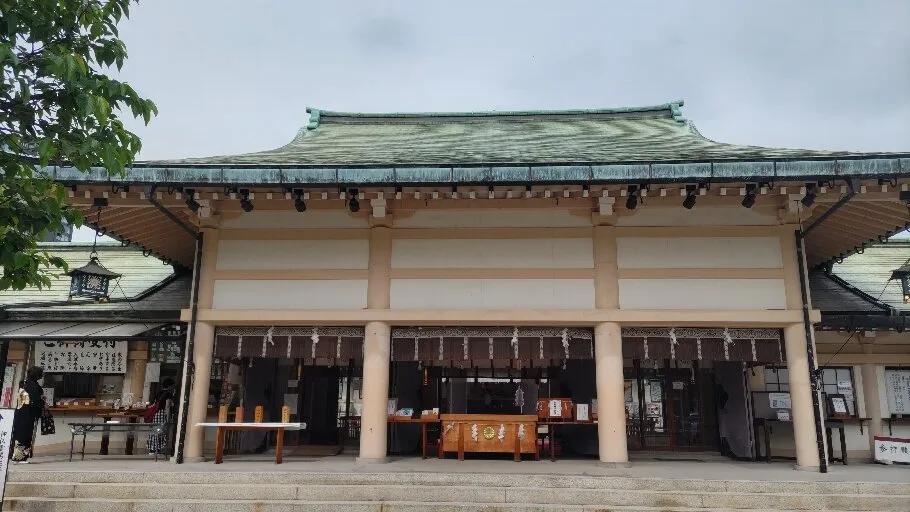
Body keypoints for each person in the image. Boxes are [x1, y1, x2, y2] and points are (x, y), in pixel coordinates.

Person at [12, 367, 45, 464]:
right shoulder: (33, 386)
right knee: (25, 436)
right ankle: (19, 458)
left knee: (20, 435)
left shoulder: (24, 383)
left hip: (21, 411)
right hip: (28, 413)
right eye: (41, 373)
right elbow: (34, 401)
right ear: (37, 375)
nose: (42, 375)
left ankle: (18, 457)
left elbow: (27, 399)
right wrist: (43, 403)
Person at [146, 378, 176, 455]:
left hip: (155, 414)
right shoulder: (168, 394)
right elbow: (167, 406)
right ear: (169, 386)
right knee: (161, 432)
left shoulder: (158, 393)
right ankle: (156, 450)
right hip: (162, 414)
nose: (173, 387)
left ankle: (152, 449)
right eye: (172, 386)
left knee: (155, 431)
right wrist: (168, 417)